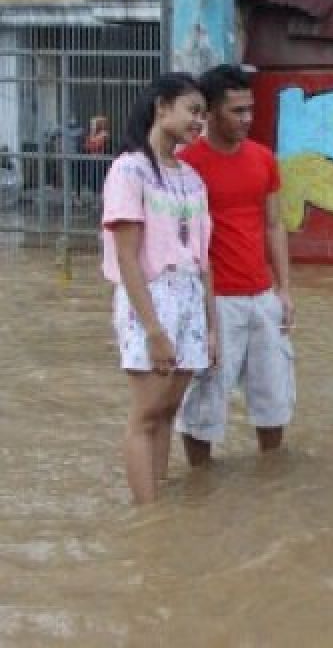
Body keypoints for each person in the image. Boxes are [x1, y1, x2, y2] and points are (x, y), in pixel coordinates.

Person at [100, 73, 215, 504]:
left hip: (188, 297)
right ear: (162, 107)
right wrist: (153, 330)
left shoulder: (191, 178)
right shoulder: (129, 170)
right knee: (146, 415)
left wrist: (212, 326)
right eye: (192, 111)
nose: (199, 122)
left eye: (203, 113)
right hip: (150, 298)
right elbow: (128, 256)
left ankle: (160, 501)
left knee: (168, 411)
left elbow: (205, 259)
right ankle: (147, 517)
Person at [177, 64, 296, 465]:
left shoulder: (264, 158)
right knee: (205, 402)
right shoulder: (187, 165)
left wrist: (284, 289)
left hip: (263, 297)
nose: (247, 119)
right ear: (209, 112)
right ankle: (200, 484)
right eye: (237, 111)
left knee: (274, 397)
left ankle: (272, 478)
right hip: (215, 303)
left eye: (250, 109)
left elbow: (274, 224)